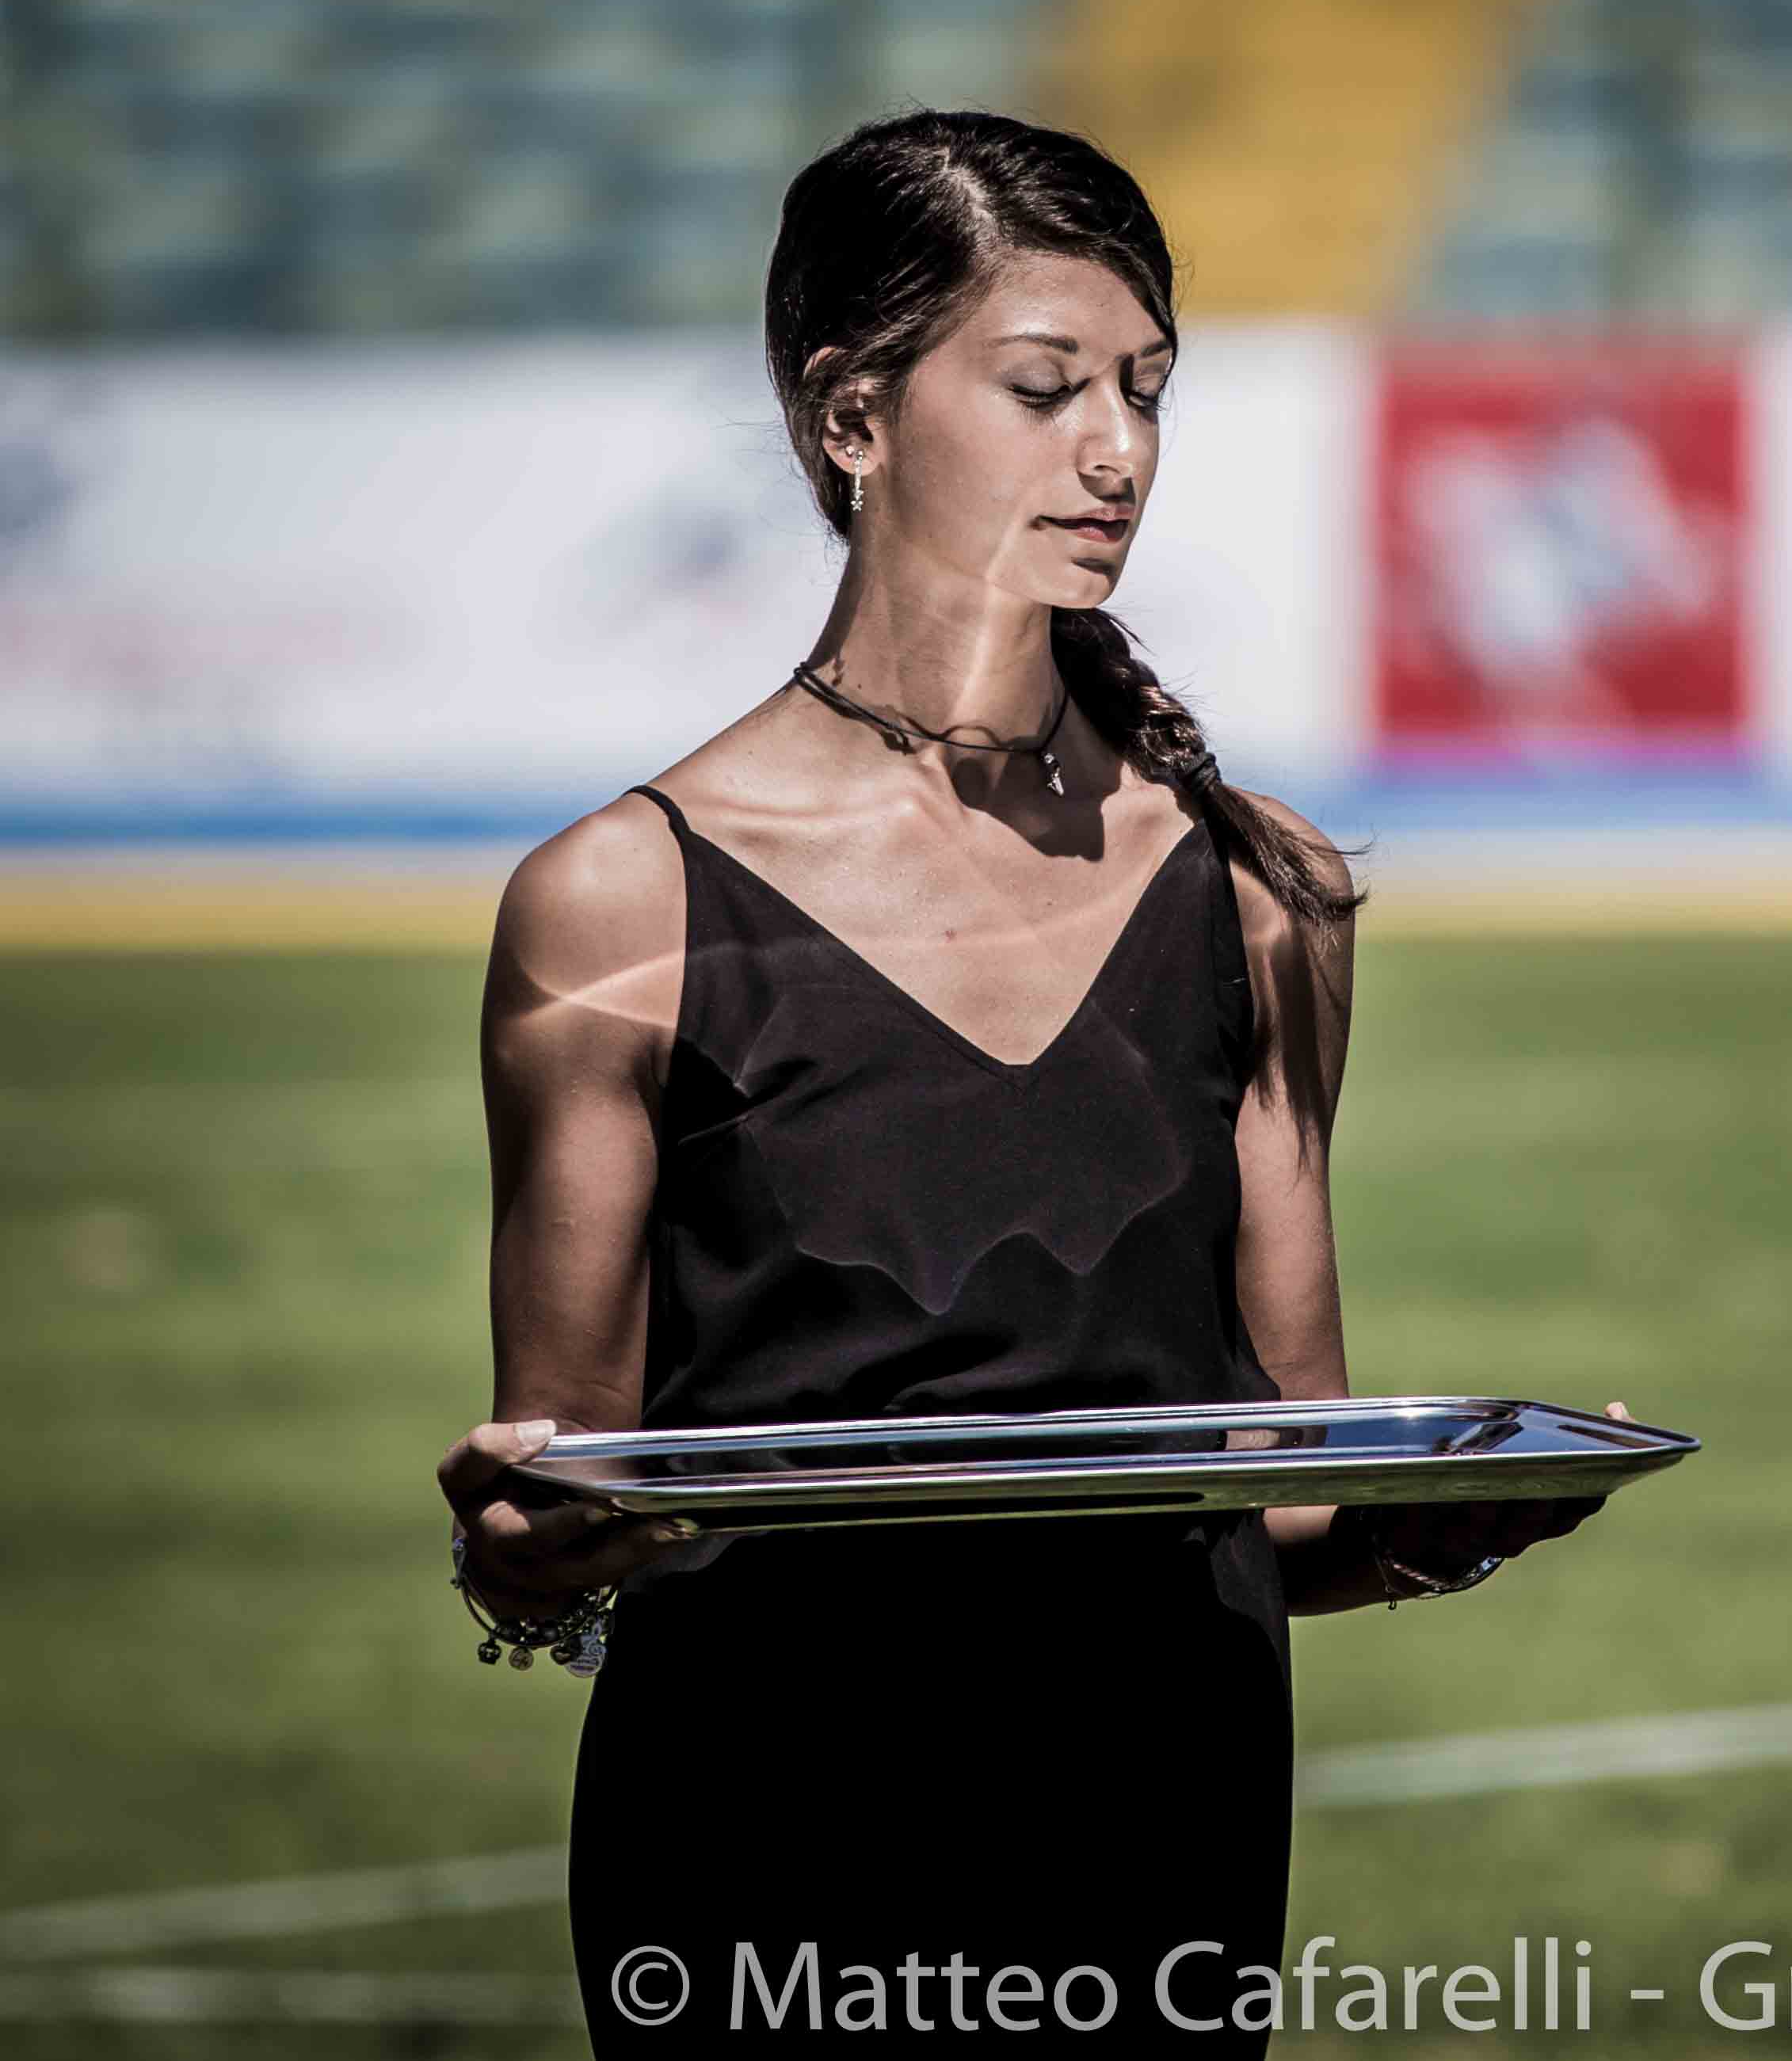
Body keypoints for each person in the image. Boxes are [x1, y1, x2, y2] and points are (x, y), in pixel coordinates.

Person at [431, 111, 1632, 2051]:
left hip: (1160, 1820)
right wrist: (524, 1549)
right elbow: (559, 1506)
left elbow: (1281, 1498)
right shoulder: (617, 901)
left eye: (1146, 389)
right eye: (1045, 386)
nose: (1119, 450)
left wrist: (1450, 1516)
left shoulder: (1263, 888)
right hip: (758, 1834)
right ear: (852, 415)